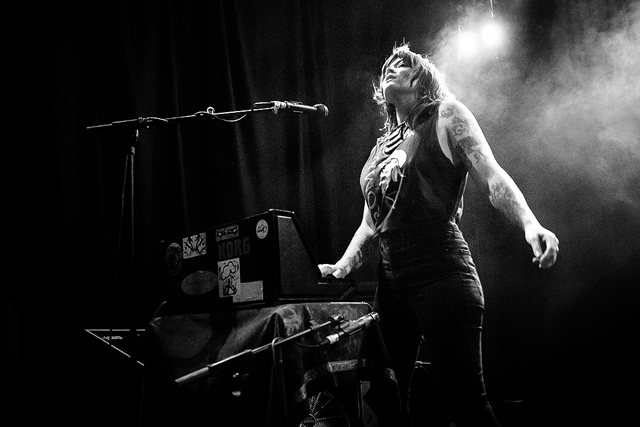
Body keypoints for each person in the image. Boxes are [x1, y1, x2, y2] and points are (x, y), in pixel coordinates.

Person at [318, 44, 559, 426]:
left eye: (404, 64)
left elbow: (491, 176)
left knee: (466, 403)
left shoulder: (446, 115)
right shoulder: (380, 148)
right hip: (391, 281)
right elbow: (370, 225)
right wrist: (343, 266)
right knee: (384, 397)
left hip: (440, 270)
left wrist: (530, 223)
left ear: (423, 79)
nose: (392, 67)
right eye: (388, 65)